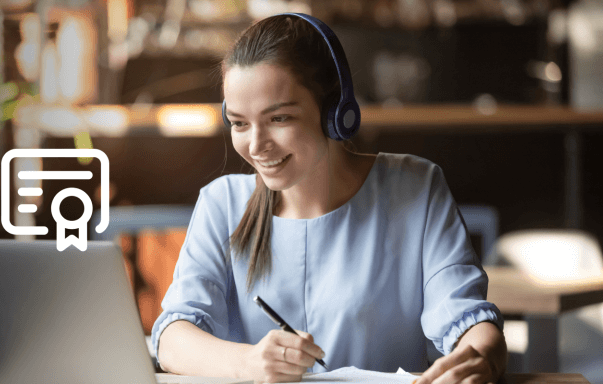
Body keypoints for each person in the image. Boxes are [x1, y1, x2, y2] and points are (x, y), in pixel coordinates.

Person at [151, 13, 507, 384]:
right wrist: (250, 363)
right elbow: (173, 340)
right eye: (240, 123)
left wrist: (481, 359)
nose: (255, 146)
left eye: (279, 119)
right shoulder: (222, 203)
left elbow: (468, 320)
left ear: (335, 112)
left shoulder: (415, 187)